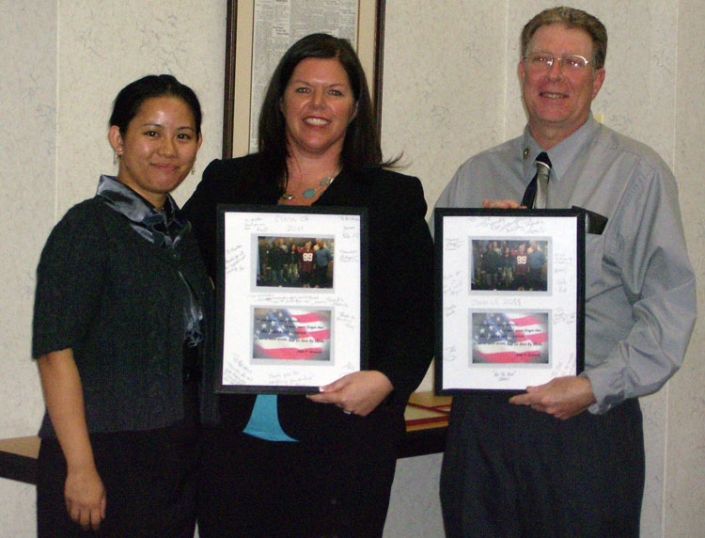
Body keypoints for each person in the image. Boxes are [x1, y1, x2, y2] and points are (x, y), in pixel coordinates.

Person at [435, 7, 696, 538]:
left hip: (587, 426)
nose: (554, 75)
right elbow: (433, 293)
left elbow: (669, 311)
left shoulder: (637, 175)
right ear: (522, 71)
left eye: (573, 62)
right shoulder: (475, 174)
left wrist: (594, 386)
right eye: (541, 59)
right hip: (483, 424)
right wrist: (483, 258)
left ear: (597, 80)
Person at [183, 33, 434, 538]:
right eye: (303, 90)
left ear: (356, 107)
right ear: (280, 100)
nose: (318, 105)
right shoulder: (228, 182)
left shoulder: (393, 198)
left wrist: (385, 381)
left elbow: (422, 311)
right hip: (232, 441)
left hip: (344, 439)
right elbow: (179, 277)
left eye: (335, 92)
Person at [32, 74, 210, 537]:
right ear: (118, 138)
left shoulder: (181, 235)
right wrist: (81, 468)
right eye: (152, 132)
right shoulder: (86, 229)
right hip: (103, 456)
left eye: (183, 135)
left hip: (173, 455)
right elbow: (55, 354)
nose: (168, 149)